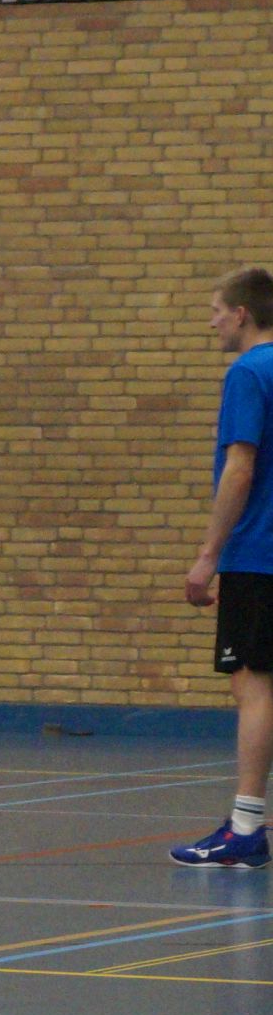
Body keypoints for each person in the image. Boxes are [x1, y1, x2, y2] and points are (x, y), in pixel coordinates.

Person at [172, 267, 273, 868]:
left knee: (253, 685)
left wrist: (209, 554)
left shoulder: (249, 372)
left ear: (241, 314)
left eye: (216, 311)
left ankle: (245, 828)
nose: (211, 322)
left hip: (259, 555)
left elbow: (240, 467)